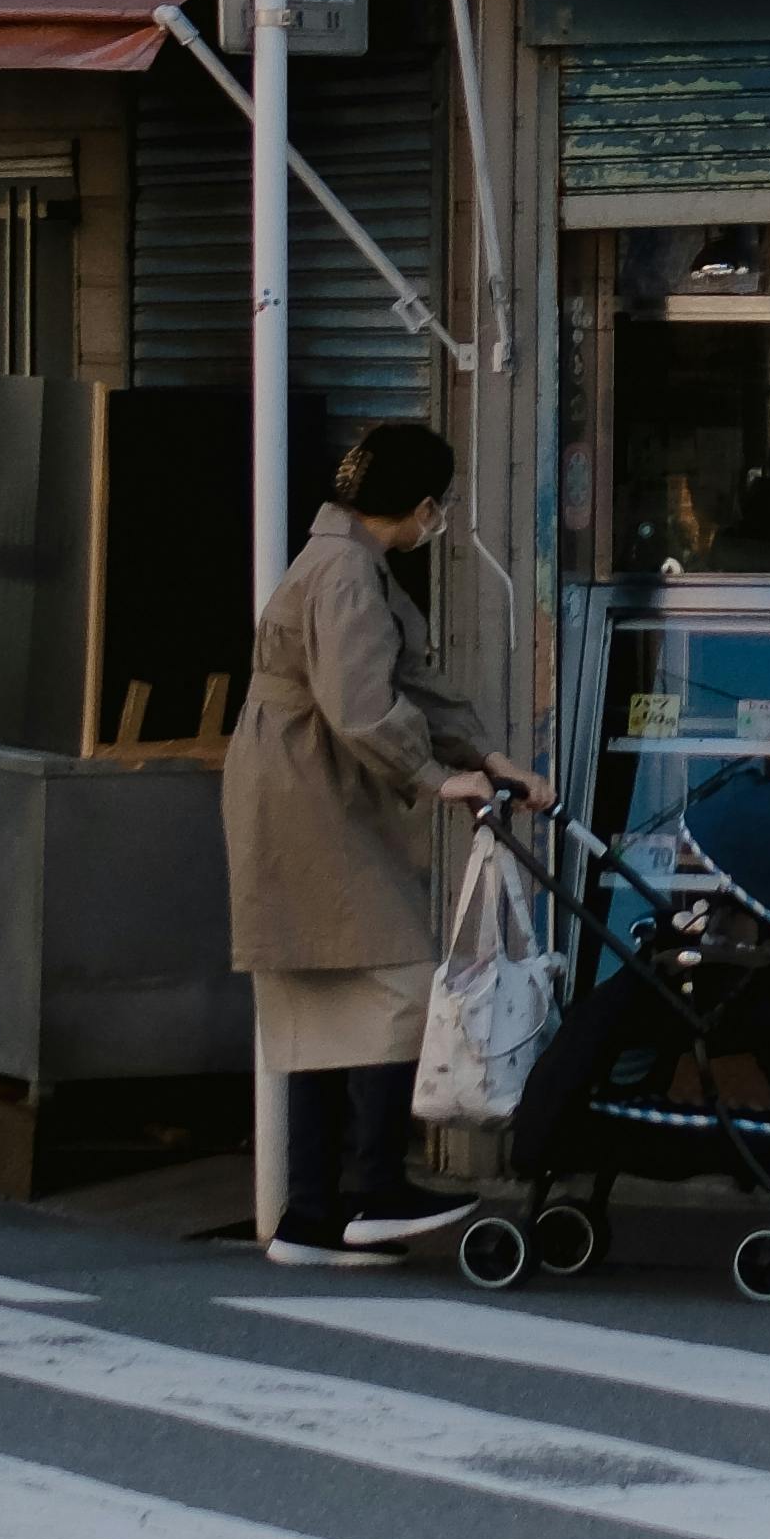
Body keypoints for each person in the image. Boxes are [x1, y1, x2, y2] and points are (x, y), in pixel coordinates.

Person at [230, 417, 527, 1263]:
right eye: (440, 509)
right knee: (392, 975)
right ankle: (371, 1190)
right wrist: (443, 778)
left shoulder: (341, 562)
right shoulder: (349, 576)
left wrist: (485, 754)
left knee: (323, 993)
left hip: (297, 783)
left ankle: (313, 1214)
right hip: (314, 786)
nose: (439, 523)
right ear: (425, 504)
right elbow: (364, 703)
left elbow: (409, 684)